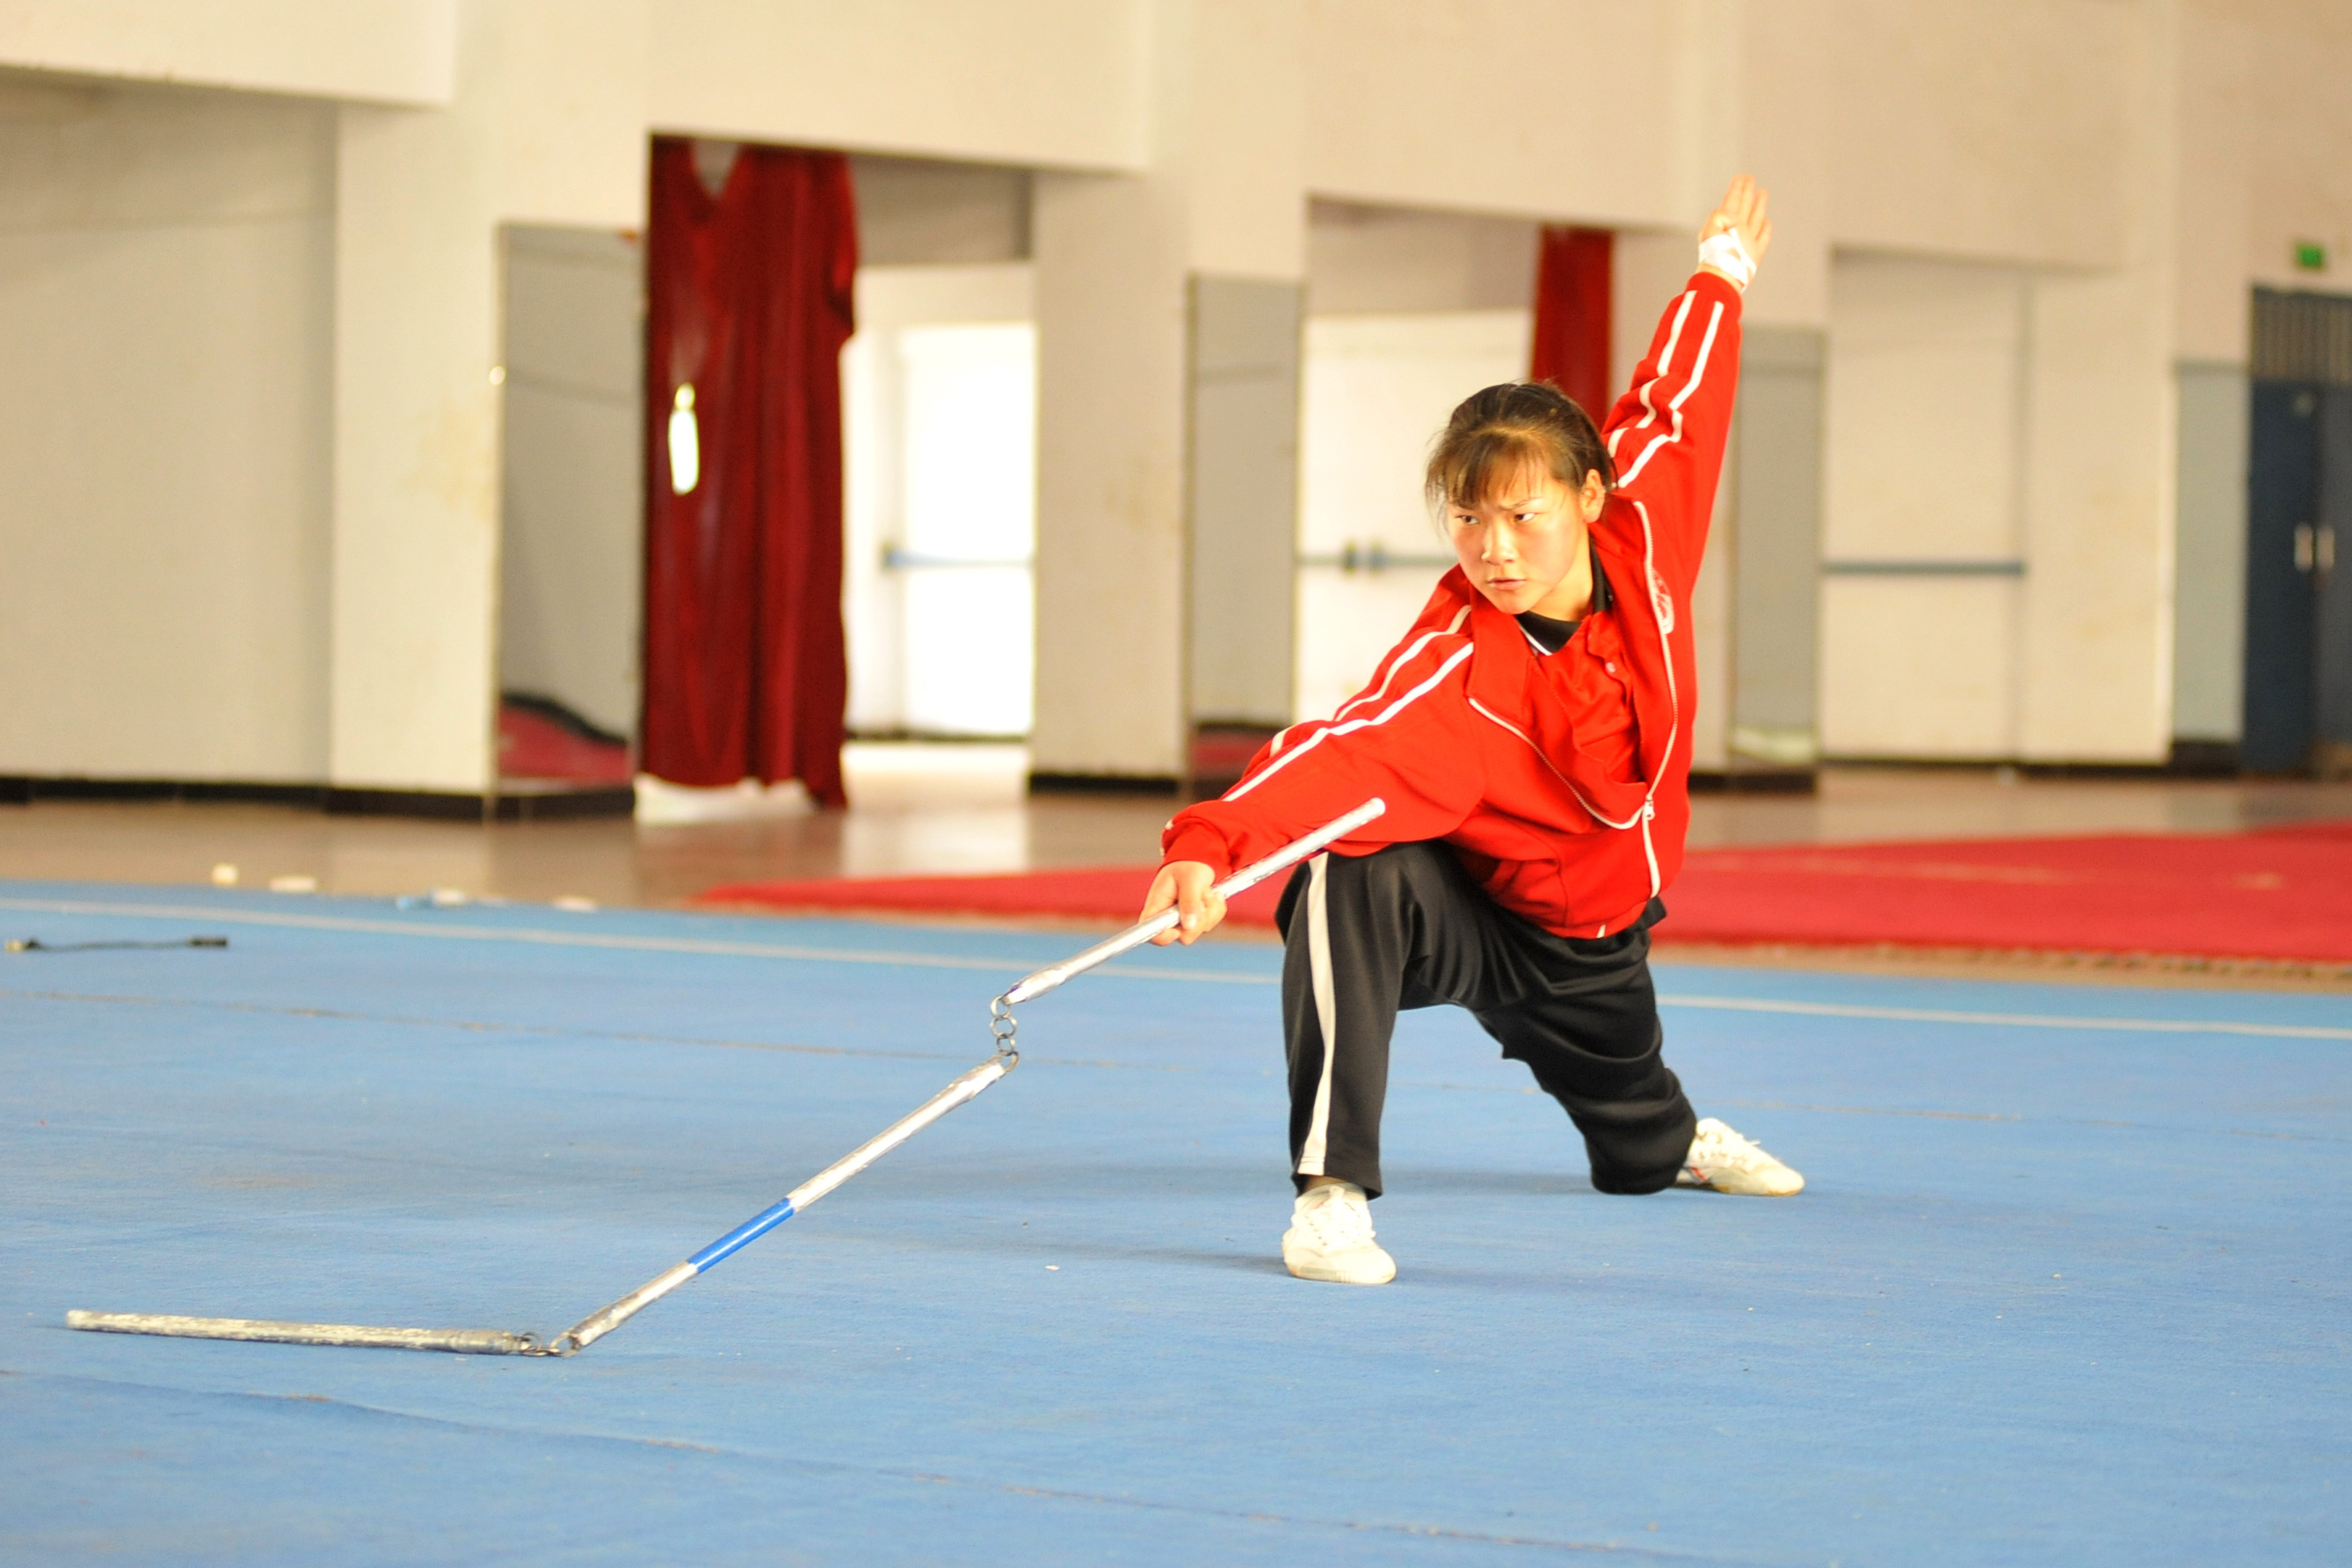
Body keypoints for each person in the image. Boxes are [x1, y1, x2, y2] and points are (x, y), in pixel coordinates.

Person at [1139, 175, 1800, 1286]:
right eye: (1467, 516)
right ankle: (1332, 1195)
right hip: (1474, 910)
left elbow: (1679, 396)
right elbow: (1340, 748)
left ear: (1590, 499)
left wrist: (1720, 272)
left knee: (1636, 1137)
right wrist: (1208, 846)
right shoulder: (1456, 659)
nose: (1493, 546)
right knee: (1350, 869)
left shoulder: (1645, 528)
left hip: (1592, 938)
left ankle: (1669, 1138)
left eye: (1521, 513)